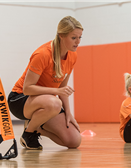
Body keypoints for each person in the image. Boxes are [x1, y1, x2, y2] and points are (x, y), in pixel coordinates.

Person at [7, 16, 83, 150]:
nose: (78, 42)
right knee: (55, 103)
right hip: (20, 99)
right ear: (61, 36)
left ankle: (38, 127)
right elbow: (27, 89)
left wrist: (69, 114)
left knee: (74, 141)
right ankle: (28, 134)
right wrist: (56, 92)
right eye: (73, 38)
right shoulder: (42, 54)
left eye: (80, 37)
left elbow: (62, 88)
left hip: (46, 102)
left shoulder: (72, 55)